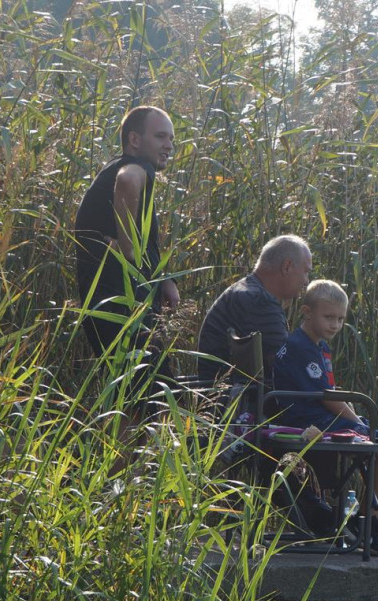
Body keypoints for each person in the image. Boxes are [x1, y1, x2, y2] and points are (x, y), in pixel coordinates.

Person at [74, 105, 180, 468]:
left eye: (172, 138)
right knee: (157, 399)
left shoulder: (132, 171)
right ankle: (117, 489)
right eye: (160, 136)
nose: (169, 145)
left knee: (136, 401)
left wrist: (162, 278)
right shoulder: (137, 168)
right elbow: (128, 182)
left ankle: (117, 491)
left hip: (118, 307)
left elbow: (145, 229)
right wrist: (131, 254)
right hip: (119, 308)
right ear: (134, 140)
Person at [272, 280, 378, 556]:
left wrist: (357, 419)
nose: (335, 324)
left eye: (341, 319)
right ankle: (368, 522)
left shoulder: (317, 345)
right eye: (329, 317)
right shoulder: (302, 347)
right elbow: (327, 398)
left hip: (317, 417)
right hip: (310, 422)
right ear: (307, 312)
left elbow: (330, 392)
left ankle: (368, 520)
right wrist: (359, 423)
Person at [196, 234, 312, 383]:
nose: (306, 281)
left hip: (227, 395)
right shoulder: (259, 301)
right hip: (234, 400)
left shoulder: (248, 290)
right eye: (306, 272)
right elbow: (286, 368)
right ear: (287, 267)